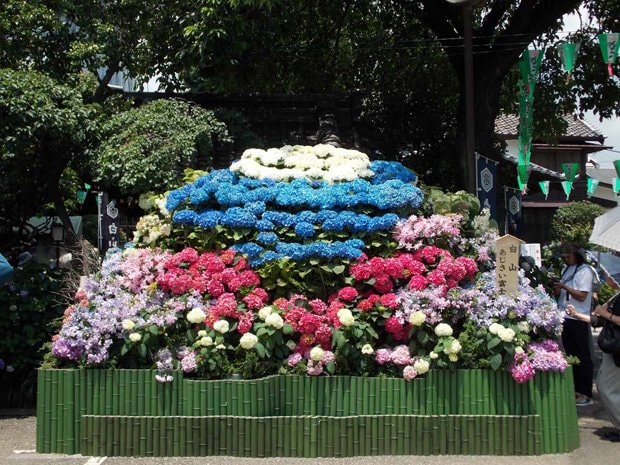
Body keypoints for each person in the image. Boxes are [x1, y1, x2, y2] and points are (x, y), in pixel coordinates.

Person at [553, 242, 596, 406]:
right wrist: (557, 287)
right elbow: (561, 293)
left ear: (576, 255)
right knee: (571, 354)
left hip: (579, 317)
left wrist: (565, 286)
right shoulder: (567, 269)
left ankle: (585, 392)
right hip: (565, 316)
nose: (566, 259)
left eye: (568, 256)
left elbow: (582, 296)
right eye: (564, 257)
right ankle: (575, 389)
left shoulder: (585, 271)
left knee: (583, 355)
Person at [592, 271, 620, 441]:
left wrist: (605, 314)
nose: (607, 277)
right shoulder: (617, 295)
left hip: (617, 348)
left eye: (609, 275)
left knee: (605, 387)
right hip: (612, 348)